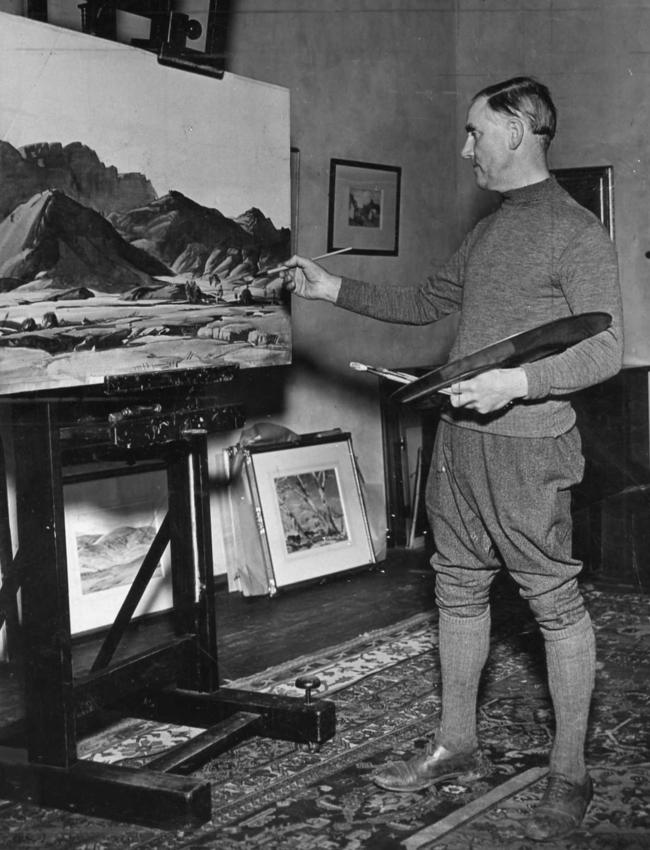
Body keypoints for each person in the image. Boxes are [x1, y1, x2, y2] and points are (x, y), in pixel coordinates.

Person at [283, 76, 623, 842]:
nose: (465, 146)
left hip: (528, 451)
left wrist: (518, 381)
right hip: (459, 446)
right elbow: (429, 301)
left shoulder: (576, 231)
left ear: (517, 131)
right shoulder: (493, 229)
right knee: (459, 591)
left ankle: (571, 772)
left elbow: (606, 347)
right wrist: (330, 285)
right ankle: (456, 744)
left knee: (555, 606)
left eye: (476, 132)